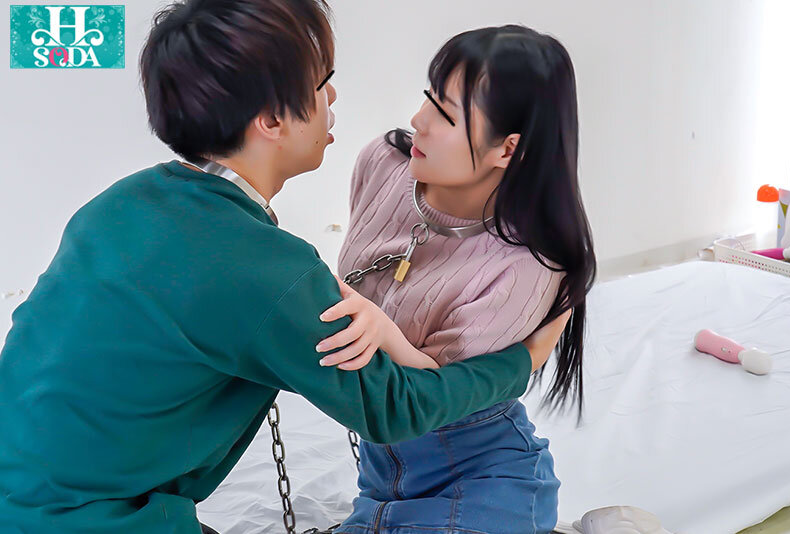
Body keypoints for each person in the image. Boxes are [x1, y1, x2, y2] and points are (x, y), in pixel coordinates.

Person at [0, 3, 567, 533]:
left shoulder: (119, 203)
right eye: (321, 83)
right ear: (272, 118)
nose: (332, 95)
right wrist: (524, 359)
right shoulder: (262, 267)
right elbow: (396, 406)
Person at [314, 25, 596, 533]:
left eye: (445, 114)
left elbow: (432, 396)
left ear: (507, 150)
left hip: (482, 480)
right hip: (384, 480)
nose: (418, 121)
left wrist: (384, 332)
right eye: (428, 98)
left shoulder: (524, 262)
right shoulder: (383, 163)